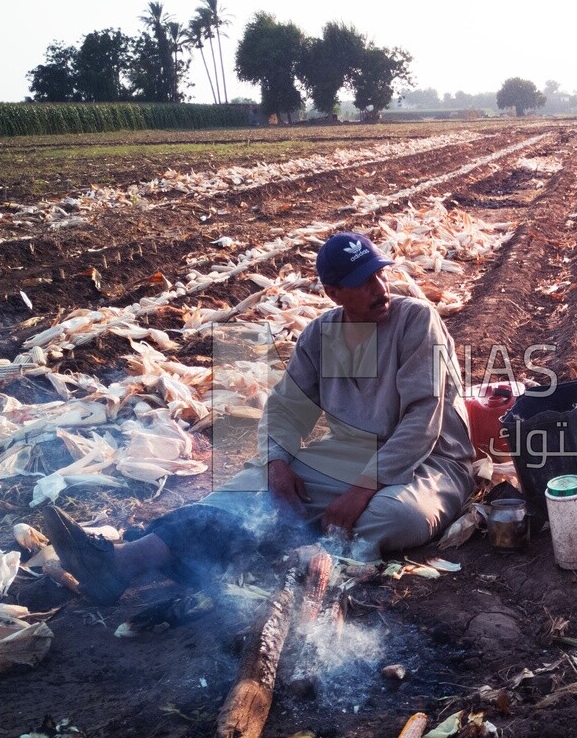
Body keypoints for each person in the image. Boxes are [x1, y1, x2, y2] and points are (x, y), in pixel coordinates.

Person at [42, 231, 476, 602]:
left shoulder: (417, 320)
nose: (380, 288)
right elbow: (286, 409)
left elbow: (424, 419)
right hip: (351, 455)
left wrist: (362, 489)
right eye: (363, 282)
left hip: (430, 461)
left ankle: (242, 552)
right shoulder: (321, 335)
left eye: (380, 274)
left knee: (397, 518)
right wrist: (277, 462)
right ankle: (121, 563)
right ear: (334, 293)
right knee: (242, 493)